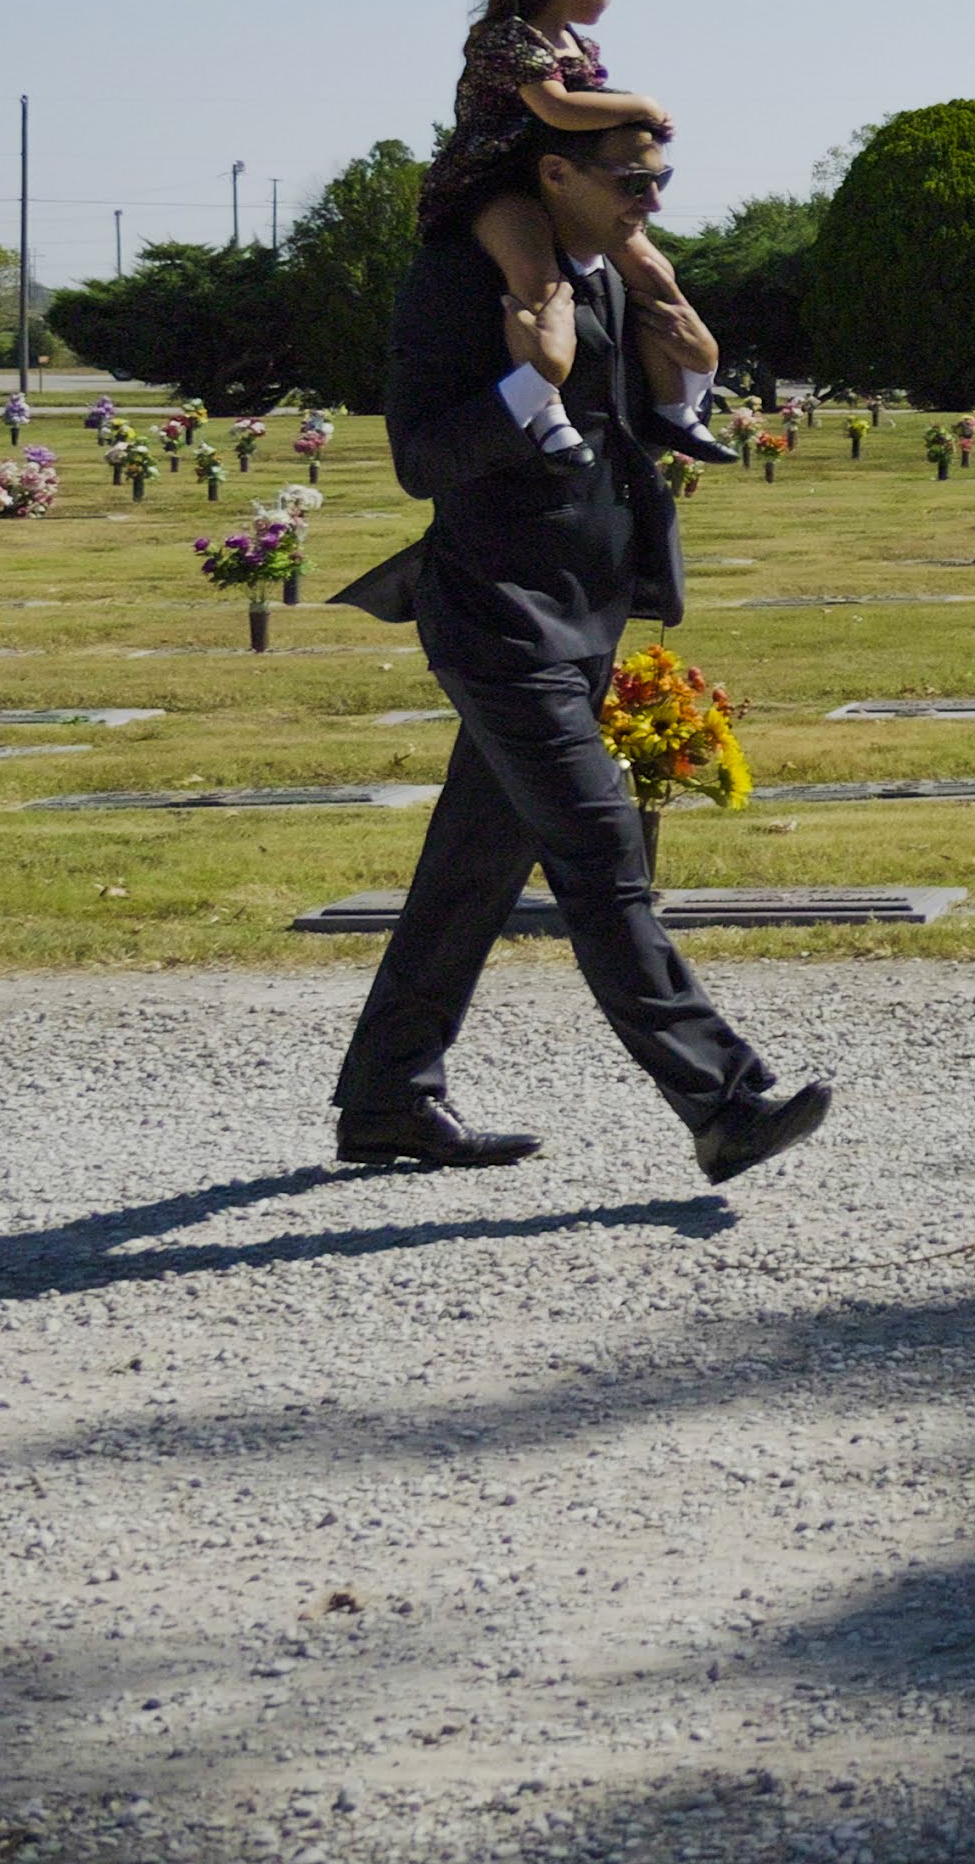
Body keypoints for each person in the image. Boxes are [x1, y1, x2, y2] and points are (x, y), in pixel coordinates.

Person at [326, 117, 832, 1183]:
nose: (653, 200)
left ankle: (386, 1098)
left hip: (583, 611)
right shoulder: (461, 282)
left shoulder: (598, 276)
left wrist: (687, 379)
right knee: (602, 851)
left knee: (472, 869)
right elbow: (423, 458)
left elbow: (621, 436)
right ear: (554, 173)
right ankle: (722, 1101)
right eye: (632, 181)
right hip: (496, 615)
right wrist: (533, 379)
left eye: (662, 178)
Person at [418, 0, 730, 463]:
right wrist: (642, 106)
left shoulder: (576, 45)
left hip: (558, 181)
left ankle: (676, 404)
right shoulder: (507, 38)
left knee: (656, 272)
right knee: (534, 273)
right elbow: (557, 108)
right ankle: (546, 410)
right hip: (496, 181)